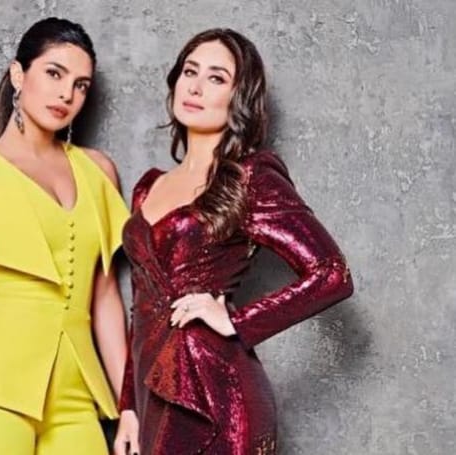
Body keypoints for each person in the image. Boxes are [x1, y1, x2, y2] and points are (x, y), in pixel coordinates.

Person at [114, 28, 354, 455]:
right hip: (153, 393)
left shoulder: (250, 177)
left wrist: (238, 322)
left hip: (216, 390)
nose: (196, 87)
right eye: (190, 71)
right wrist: (128, 407)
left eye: (216, 78)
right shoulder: (148, 188)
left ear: (238, 97)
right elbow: (142, 304)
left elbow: (331, 273)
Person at [0, 17, 130, 455]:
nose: (66, 94)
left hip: (76, 397)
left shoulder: (99, 171)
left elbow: (105, 297)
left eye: (80, 85)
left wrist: (129, 406)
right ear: (19, 74)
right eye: (54, 73)